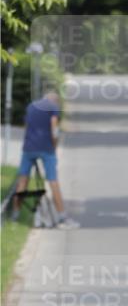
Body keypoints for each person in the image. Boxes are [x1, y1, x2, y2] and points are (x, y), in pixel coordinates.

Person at [11, 91, 80, 229]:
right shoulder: (53, 107)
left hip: (28, 148)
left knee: (23, 180)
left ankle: (15, 215)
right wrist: (54, 146)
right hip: (46, 148)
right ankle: (62, 218)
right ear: (55, 101)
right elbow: (53, 129)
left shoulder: (31, 106)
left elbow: (27, 127)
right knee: (52, 180)